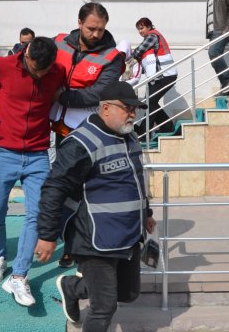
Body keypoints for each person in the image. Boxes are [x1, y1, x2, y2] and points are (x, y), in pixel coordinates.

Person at [35, 82, 156, 332]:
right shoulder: (81, 142)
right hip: (93, 237)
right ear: (106, 108)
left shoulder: (130, 136)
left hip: (128, 233)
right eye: (127, 108)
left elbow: (136, 179)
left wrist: (146, 213)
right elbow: (54, 188)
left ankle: (72, 287)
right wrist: (47, 235)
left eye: (135, 109)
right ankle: (78, 290)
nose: (133, 114)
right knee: (103, 307)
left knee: (128, 293)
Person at [0, 36, 65, 307]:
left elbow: (57, 95)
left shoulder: (58, 72)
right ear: (26, 55)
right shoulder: (2, 66)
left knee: (36, 214)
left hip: (37, 154)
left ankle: (19, 275)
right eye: (34, 69)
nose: (38, 74)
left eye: (43, 71)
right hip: (3, 151)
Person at [51, 2, 123, 268]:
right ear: (79, 23)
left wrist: (61, 96)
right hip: (55, 129)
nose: (96, 34)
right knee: (60, 188)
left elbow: (98, 93)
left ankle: (75, 246)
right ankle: (63, 238)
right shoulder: (58, 42)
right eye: (91, 28)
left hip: (86, 133)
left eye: (101, 29)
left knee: (82, 191)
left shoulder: (112, 57)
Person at [128, 17, 178, 136]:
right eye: (138, 29)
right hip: (161, 76)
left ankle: (144, 132)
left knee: (150, 101)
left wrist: (129, 55)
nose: (140, 31)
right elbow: (149, 63)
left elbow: (139, 51)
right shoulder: (151, 39)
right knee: (151, 101)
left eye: (142, 28)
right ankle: (167, 127)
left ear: (149, 27)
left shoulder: (152, 36)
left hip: (166, 75)